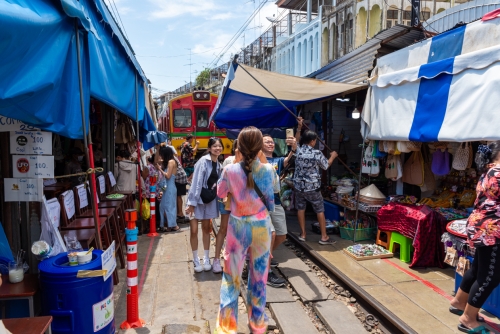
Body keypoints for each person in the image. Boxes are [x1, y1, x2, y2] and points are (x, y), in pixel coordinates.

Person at [215, 127, 277, 334]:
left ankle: (226, 328)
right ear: (260, 147)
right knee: (259, 277)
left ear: (239, 147)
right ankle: (257, 325)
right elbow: (272, 202)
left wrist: (234, 165)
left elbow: (220, 192)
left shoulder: (230, 170)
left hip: (238, 226)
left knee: (230, 277)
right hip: (261, 227)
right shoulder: (269, 170)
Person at [449, 142, 500, 334]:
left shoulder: (488, 172)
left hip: (481, 227)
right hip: (492, 230)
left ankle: (459, 302)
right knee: (490, 276)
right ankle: (468, 318)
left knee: (479, 268)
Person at [261, 131, 299, 287]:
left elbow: (291, 158)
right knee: (270, 234)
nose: (271, 143)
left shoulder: (278, 160)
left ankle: (266, 257)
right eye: (267, 141)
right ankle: (265, 268)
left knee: (282, 235)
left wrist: (294, 147)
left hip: (275, 202)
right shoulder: (256, 161)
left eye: (272, 142)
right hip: (261, 204)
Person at [294, 130, 338, 245]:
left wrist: (299, 127)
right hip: (312, 187)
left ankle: (303, 234)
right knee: (319, 210)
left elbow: (296, 140)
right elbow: (326, 166)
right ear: (313, 141)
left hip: (299, 186)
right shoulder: (316, 153)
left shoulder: (297, 150)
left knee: (300, 208)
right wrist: (332, 156)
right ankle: (324, 237)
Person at [185, 137, 223, 273]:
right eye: (215, 146)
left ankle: (206, 258)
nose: (217, 148)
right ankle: (196, 259)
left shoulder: (219, 165)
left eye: (219, 146)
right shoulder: (203, 161)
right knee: (194, 230)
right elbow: (196, 182)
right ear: (209, 148)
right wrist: (192, 203)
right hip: (197, 200)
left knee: (207, 228)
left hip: (209, 201)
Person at [213, 139, 238, 274]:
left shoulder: (251, 161)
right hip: (228, 200)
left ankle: (231, 259)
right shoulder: (230, 161)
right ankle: (217, 259)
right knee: (224, 229)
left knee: (233, 231)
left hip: (239, 202)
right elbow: (223, 182)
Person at [156, 146, 179, 233]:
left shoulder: (171, 162)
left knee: (168, 207)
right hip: (168, 187)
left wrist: (160, 169)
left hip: (169, 187)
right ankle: (170, 225)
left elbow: (168, 176)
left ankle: (174, 225)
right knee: (166, 206)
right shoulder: (172, 161)